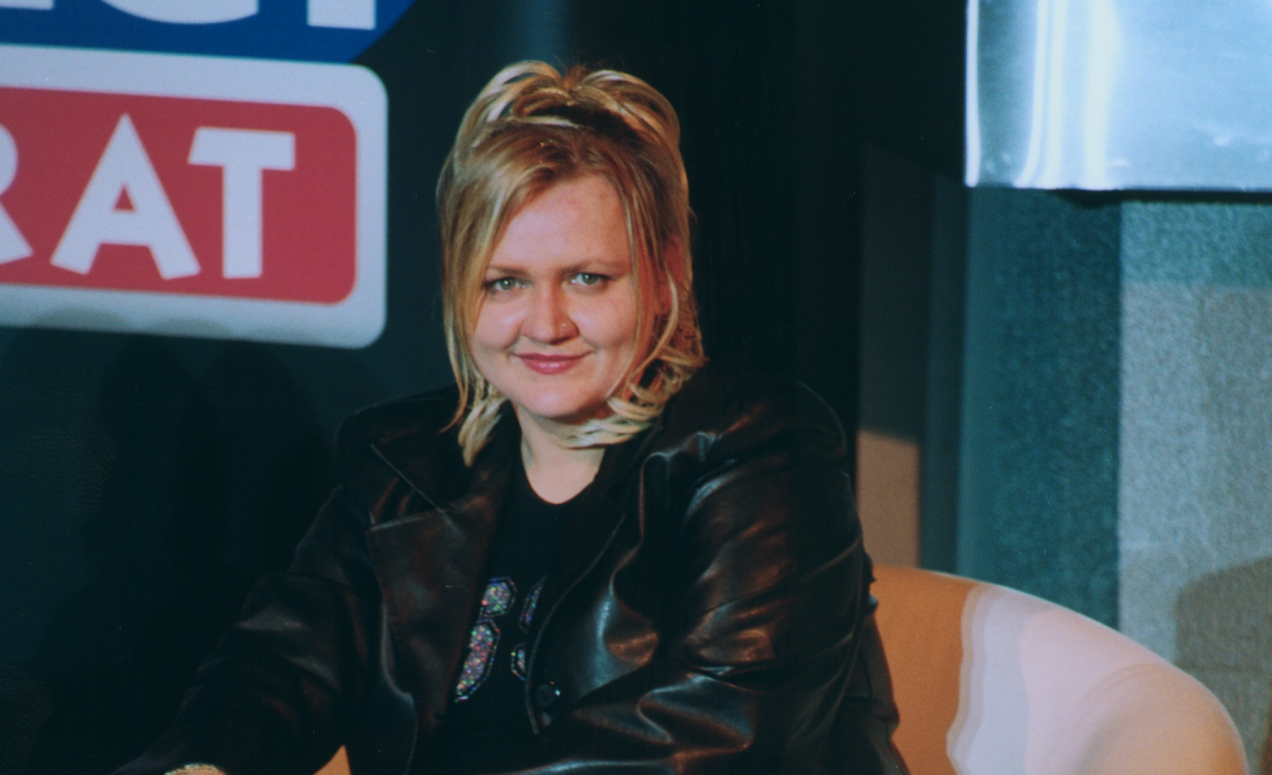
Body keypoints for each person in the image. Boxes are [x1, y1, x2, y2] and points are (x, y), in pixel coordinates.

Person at [115, 62, 907, 775]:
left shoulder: (760, 448)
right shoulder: (402, 463)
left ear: (666, 273)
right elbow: (283, 663)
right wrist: (205, 763)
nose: (545, 323)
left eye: (588, 278)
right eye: (505, 283)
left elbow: (723, 727)